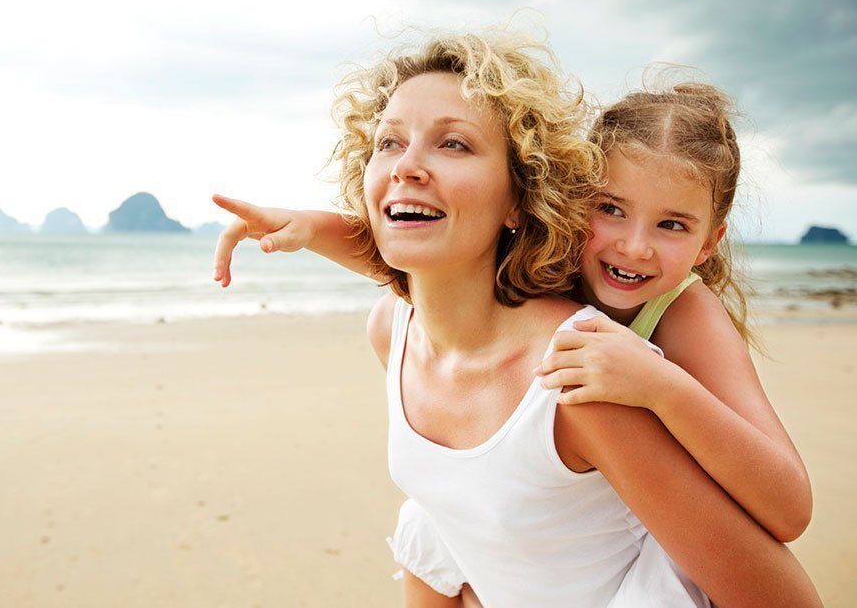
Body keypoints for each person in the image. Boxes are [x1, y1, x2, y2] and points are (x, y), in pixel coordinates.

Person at [212, 32, 821, 606]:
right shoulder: (394, 329)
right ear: (579, 209)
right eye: (388, 142)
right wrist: (313, 227)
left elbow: (784, 531)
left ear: (519, 196)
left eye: (453, 142)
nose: (633, 247)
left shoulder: (591, 368)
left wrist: (662, 385)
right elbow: (428, 264)